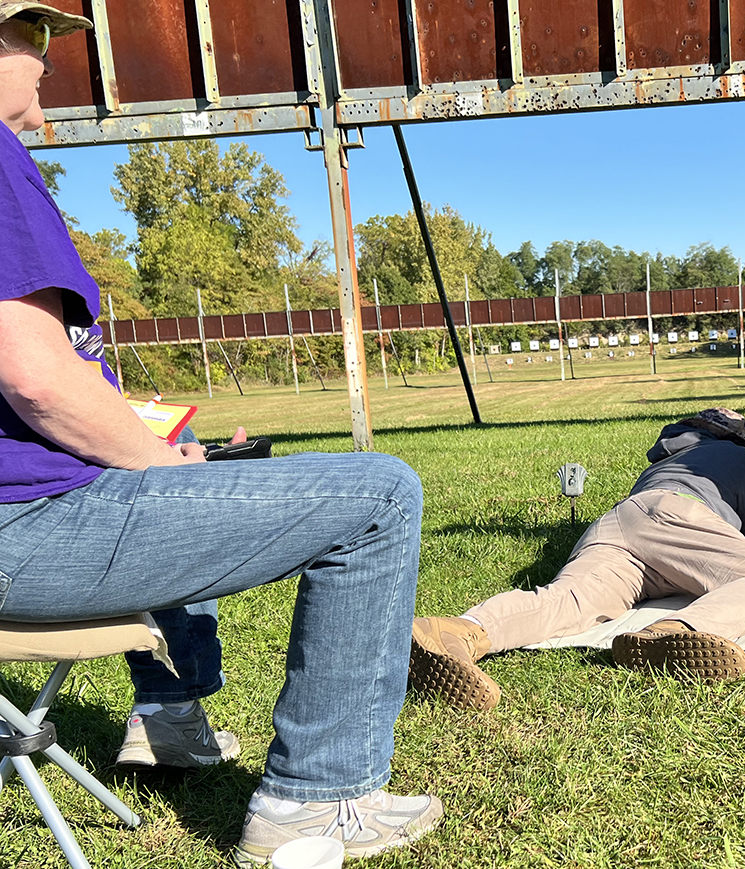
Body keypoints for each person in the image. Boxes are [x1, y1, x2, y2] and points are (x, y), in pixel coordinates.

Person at [0, 6, 441, 864]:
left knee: (177, 475)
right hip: (23, 530)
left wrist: (161, 457)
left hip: (30, 515)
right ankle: (320, 798)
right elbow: (34, 376)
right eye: (29, 37)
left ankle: (171, 717)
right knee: (381, 494)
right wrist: (158, 460)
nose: (48, 60)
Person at [409, 408, 745, 711]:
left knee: (564, 601)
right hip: (677, 517)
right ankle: (673, 632)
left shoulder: (665, 460)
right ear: (735, 439)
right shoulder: (731, 455)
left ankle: (456, 631)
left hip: (617, 524)